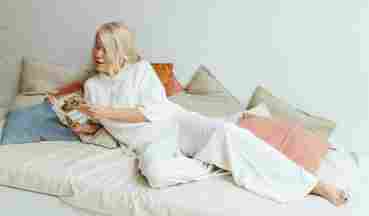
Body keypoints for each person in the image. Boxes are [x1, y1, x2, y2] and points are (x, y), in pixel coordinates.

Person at [77, 21, 349, 206]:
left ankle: (315, 185)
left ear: (120, 51)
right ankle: (210, 163)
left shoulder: (141, 70)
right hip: (149, 143)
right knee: (156, 175)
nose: (97, 53)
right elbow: (105, 123)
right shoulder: (92, 87)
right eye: (96, 46)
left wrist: (106, 112)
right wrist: (89, 127)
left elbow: (152, 111)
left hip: (176, 124)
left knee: (230, 134)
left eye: (104, 47)